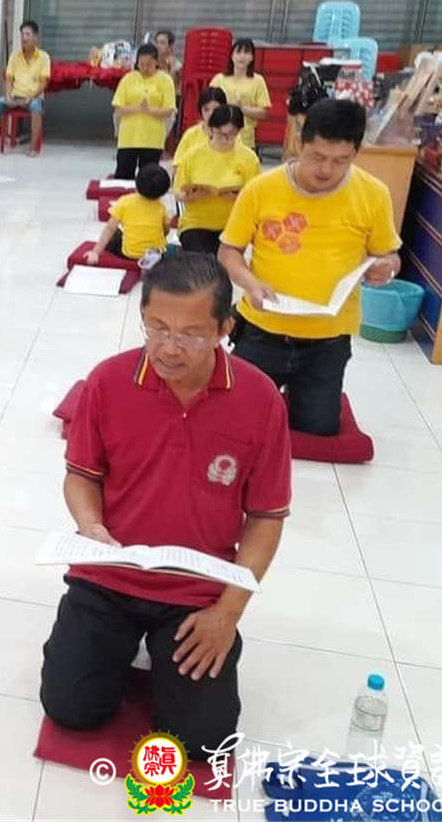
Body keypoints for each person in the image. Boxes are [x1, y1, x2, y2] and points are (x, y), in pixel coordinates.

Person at [41, 252, 290, 762]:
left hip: (196, 588)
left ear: (224, 329)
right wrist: (90, 525)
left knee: (203, 741)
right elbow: (81, 475)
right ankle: (114, 646)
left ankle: (164, 655)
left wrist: (227, 612)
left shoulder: (260, 399)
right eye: (157, 327)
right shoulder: (108, 381)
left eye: (191, 335)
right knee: (70, 708)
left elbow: (266, 517)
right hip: (109, 574)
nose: (169, 348)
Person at [219, 99, 401, 436]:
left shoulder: (374, 194)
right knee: (237, 424)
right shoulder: (262, 189)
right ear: (299, 142)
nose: (326, 170)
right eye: (317, 156)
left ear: (355, 153)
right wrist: (250, 283)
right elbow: (228, 250)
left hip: (327, 339)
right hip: (262, 329)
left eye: (340, 161)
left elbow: (389, 254)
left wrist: (386, 267)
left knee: (316, 430)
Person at [173, 105, 261, 255]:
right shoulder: (193, 155)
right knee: (204, 261)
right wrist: (189, 196)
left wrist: (239, 196)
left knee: (225, 261)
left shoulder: (249, 158)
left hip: (233, 225)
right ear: (211, 129)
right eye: (221, 134)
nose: (226, 139)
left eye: (232, 134)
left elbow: (256, 196)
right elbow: (177, 191)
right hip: (196, 223)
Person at [111, 43, 176, 181]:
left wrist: (150, 111)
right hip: (128, 138)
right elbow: (118, 108)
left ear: (156, 62)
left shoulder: (165, 80)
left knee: (148, 178)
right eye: (141, 64)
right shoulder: (128, 79)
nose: (145, 68)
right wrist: (138, 109)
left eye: (149, 64)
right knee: (123, 176)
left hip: (152, 139)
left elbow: (169, 110)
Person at [85, 164, 171, 266]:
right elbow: (166, 230)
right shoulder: (161, 207)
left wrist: (95, 252)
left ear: (137, 183)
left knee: (115, 233)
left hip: (130, 254)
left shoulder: (125, 201)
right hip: (156, 255)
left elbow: (109, 228)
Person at [0, 20, 51, 157]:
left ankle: (33, 148)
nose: (24, 38)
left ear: (35, 37)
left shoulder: (44, 57)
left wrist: (31, 97)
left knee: (36, 107)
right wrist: (8, 96)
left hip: (33, 97)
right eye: (22, 34)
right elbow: (9, 78)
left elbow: (44, 82)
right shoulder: (14, 56)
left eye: (27, 34)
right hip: (15, 97)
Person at [210, 38, 270, 151]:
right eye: (238, 52)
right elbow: (209, 106)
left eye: (246, 53)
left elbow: (264, 113)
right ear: (231, 56)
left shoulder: (258, 81)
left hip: (246, 140)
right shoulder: (219, 79)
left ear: (252, 57)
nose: (242, 56)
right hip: (220, 137)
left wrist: (241, 108)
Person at [173, 86, 228, 166]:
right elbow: (177, 165)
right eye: (206, 109)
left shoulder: (231, 134)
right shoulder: (191, 135)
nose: (211, 114)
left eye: (216, 109)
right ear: (200, 110)